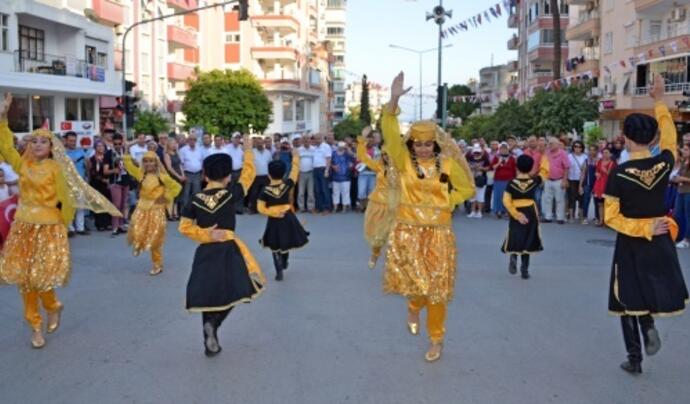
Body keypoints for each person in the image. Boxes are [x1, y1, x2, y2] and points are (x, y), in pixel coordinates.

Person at [0, 92, 119, 348]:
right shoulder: (22, 165)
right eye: (33, 141)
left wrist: (60, 229)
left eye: (43, 141)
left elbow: (66, 202)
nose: (37, 144)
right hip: (23, 226)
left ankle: (52, 306)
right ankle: (34, 325)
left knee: (40, 277)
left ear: (52, 146)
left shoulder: (56, 169)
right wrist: (2, 118)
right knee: (25, 279)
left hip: (48, 226)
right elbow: (5, 147)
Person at [380, 72, 475, 362]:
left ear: (435, 143)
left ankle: (436, 339)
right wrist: (394, 99)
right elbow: (388, 129)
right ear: (411, 144)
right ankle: (413, 305)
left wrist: (448, 200)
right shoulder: (403, 161)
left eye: (427, 143)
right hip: (408, 231)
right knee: (417, 285)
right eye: (417, 143)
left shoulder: (447, 164)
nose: (422, 147)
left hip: (438, 232)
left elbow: (467, 188)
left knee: (438, 289)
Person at [604, 75, 688, 374]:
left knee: (626, 296)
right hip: (661, 236)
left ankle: (635, 358)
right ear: (651, 140)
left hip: (632, 240)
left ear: (625, 137)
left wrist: (641, 228)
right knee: (652, 286)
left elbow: (610, 216)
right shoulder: (665, 162)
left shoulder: (619, 172)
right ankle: (649, 322)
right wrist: (659, 100)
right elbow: (670, 136)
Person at [178, 139, 265, 358]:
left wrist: (206, 234)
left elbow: (184, 227)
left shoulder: (195, 199)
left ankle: (208, 334)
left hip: (206, 250)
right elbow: (249, 174)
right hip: (228, 248)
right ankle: (216, 323)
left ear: (205, 176)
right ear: (227, 177)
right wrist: (247, 152)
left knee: (208, 293)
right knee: (238, 289)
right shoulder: (232, 192)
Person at [123, 149, 181, 276]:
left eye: (151, 161)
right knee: (137, 230)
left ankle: (157, 264)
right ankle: (139, 245)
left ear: (156, 163)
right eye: (146, 161)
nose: (148, 164)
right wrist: (126, 153)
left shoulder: (162, 177)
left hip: (156, 210)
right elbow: (129, 167)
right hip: (141, 209)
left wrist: (165, 198)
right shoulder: (141, 174)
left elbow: (176, 187)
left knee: (155, 239)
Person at [258, 152, 309, 281]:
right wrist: (296, 157)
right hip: (288, 216)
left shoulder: (265, 190)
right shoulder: (287, 184)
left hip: (274, 220)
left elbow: (260, 208)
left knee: (274, 245)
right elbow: (295, 171)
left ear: (269, 174)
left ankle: (278, 271)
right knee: (286, 240)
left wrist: (273, 213)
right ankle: (285, 261)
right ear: (283, 173)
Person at [357, 128, 398, 269]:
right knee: (378, 234)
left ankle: (393, 261)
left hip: (397, 204)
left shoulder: (403, 170)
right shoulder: (379, 166)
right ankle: (375, 254)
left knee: (395, 235)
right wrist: (362, 140)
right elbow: (363, 158)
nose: (387, 157)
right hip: (379, 203)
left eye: (389, 155)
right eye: (385, 155)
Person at [501, 155, 544, 279]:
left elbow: (506, 201)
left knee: (515, 235)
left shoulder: (511, 183)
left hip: (517, 210)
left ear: (517, 167)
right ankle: (524, 269)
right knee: (529, 237)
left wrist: (516, 214)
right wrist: (544, 155)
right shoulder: (535, 181)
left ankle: (514, 255)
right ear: (531, 167)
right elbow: (545, 171)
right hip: (530, 210)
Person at [63, 131, 90, 237]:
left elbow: (87, 167)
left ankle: (80, 228)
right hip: (68, 182)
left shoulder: (81, 152)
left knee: (80, 206)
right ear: (65, 140)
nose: (73, 143)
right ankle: (70, 228)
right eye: (70, 141)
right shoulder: (63, 153)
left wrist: (88, 167)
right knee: (70, 206)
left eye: (74, 141)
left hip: (80, 181)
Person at [541, 137, 570, 224]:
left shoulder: (563, 153)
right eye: (549, 143)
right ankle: (548, 217)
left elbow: (566, 168)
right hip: (548, 179)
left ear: (557, 144)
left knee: (560, 199)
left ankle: (560, 218)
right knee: (548, 199)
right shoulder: (546, 153)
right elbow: (543, 166)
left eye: (551, 143)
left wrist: (564, 180)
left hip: (559, 180)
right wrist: (543, 179)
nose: (549, 145)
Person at [89, 141, 113, 231]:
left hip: (107, 183)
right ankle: (100, 224)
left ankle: (108, 223)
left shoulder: (107, 157)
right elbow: (91, 171)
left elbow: (110, 169)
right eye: (98, 146)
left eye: (102, 146)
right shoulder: (91, 159)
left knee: (108, 202)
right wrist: (102, 179)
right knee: (98, 204)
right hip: (96, 182)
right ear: (95, 148)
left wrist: (108, 179)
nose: (100, 148)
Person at [247, 136, 273, 214]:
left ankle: (264, 208)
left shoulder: (268, 152)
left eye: (261, 143)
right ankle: (253, 209)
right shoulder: (252, 152)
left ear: (263, 143)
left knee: (265, 193)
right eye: (258, 143)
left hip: (266, 176)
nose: (259, 144)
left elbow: (270, 164)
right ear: (255, 143)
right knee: (254, 193)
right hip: (255, 176)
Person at [490, 142, 516, 219]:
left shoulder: (512, 158)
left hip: (509, 180)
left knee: (508, 196)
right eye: (502, 149)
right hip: (498, 180)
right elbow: (492, 167)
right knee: (498, 196)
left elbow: (514, 169)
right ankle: (498, 211)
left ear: (508, 149)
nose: (503, 150)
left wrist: (514, 179)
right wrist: (499, 162)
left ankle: (507, 211)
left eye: (505, 148)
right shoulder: (496, 157)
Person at [671, 143, 690, 248]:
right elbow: (679, 174)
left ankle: (687, 239)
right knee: (677, 214)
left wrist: (682, 179)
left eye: (687, 149)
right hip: (680, 190)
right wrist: (676, 178)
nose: (684, 151)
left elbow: (684, 178)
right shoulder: (683, 162)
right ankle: (676, 235)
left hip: (688, 191)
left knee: (688, 216)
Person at [179, 133, 204, 208]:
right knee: (186, 193)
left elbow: (202, 162)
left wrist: (203, 174)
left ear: (196, 141)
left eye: (194, 139)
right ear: (188, 140)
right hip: (187, 174)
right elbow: (181, 164)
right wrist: (183, 175)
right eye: (191, 139)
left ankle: (196, 210)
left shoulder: (200, 149)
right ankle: (185, 211)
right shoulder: (183, 150)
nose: (192, 141)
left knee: (197, 193)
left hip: (197, 174)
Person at [163, 138, 185, 221]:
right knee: (171, 195)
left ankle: (175, 213)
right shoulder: (167, 154)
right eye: (172, 143)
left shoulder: (176, 153)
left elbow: (180, 165)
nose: (174, 145)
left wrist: (182, 175)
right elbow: (169, 168)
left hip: (179, 175)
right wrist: (178, 176)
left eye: (175, 143)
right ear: (168, 145)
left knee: (177, 195)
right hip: (172, 176)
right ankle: (170, 213)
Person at [466, 144, 490, 218]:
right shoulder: (469, 156)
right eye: (475, 152)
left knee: (480, 196)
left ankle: (479, 212)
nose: (476, 154)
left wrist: (481, 168)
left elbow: (488, 167)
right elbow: (465, 165)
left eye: (478, 152)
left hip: (481, 179)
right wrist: (471, 167)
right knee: (472, 196)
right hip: (471, 178)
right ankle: (473, 211)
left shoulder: (485, 157)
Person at [357, 134, 379, 212]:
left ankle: (367, 208)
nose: (370, 142)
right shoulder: (362, 149)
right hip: (363, 173)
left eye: (371, 141)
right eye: (368, 140)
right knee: (361, 192)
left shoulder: (376, 150)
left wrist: (372, 166)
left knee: (371, 192)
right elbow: (358, 160)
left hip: (372, 174)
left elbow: (378, 161)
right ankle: (362, 206)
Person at [594, 148, 616, 227]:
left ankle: (607, 221)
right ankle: (600, 220)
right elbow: (596, 171)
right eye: (603, 153)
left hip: (608, 185)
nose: (605, 154)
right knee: (600, 204)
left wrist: (604, 170)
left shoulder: (613, 163)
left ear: (610, 154)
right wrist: (597, 174)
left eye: (606, 153)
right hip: (599, 184)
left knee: (607, 204)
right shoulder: (599, 162)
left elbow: (612, 175)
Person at [330, 141, 355, 212]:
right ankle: (335, 207)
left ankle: (344, 207)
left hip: (346, 176)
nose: (341, 147)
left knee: (345, 192)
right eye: (339, 146)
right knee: (335, 192)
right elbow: (330, 162)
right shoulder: (333, 153)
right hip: (335, 176)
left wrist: (348, 149)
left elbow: (354, 157)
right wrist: (333, 166)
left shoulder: (347, 154)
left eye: (342, 146)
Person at [567, 140, 588, 222]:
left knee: (581, 198)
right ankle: (571, 216)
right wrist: (566, 180)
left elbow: (583, 171)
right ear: (573, 147)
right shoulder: (569, 156)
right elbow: (567, 169)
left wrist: (580, 185)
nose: (577, 148)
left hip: (581, 180)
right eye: (575, 146)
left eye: (579, 147)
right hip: (571, 179)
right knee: (571, 198)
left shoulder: (585, 157)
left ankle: (581, 216)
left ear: (582, 148)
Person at [312, 134, 332, 214]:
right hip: (315, 170)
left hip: (323, 169)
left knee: (324, 190)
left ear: (322, 138)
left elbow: (328, 159)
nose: (317, 140)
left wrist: (327, 170)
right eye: (315, 139)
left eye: (318, 138)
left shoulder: (326, 146)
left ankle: (327, 208)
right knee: (317, 190)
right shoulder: (314, 148)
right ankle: (319, 208)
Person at [226, 132, 245, 214]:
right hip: (230, 172)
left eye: (238, 138)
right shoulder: (227, 148)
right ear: (232, 139)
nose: (237, 139)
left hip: (240, 171)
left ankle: (239, 208)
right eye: (235, 138)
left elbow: (244, 160)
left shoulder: (242, 148)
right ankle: (230, 208)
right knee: (230, 190)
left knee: (240, 190)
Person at [580, 144, 599, 225]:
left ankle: (597, 217)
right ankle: (585, 217)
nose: (591, 152)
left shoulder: (599, 161)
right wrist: (580, 185)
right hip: (587, 184)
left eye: (593, 150)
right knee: (586, 201)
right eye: (590, 150)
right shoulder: (586, 161)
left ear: (596, 151)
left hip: (597, 184)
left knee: (596, 201)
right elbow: (583, 173)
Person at [297, 135, 316, 212]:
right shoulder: (299, 150)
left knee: (310, 192)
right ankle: (301, 207)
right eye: (304, 139)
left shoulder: (314, 149)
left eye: (307, 139)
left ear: (310, 140)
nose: (306, 141)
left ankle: (310, 207)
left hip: (311, 173)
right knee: (301, 192)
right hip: (301, 173)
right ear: (302, 141)